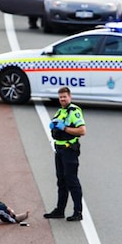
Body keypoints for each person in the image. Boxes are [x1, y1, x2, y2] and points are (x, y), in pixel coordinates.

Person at [44, 86, 86, 222]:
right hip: (60, 150)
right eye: (60, 97)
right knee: (61, 181)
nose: (62, 99)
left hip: (69, 150)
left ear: (70, 97)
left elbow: (82, 131)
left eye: (64, 97)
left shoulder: (74, 111)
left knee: (72, 181)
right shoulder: (60, 111)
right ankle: (60, 210)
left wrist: (65, 128)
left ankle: (78, 212)